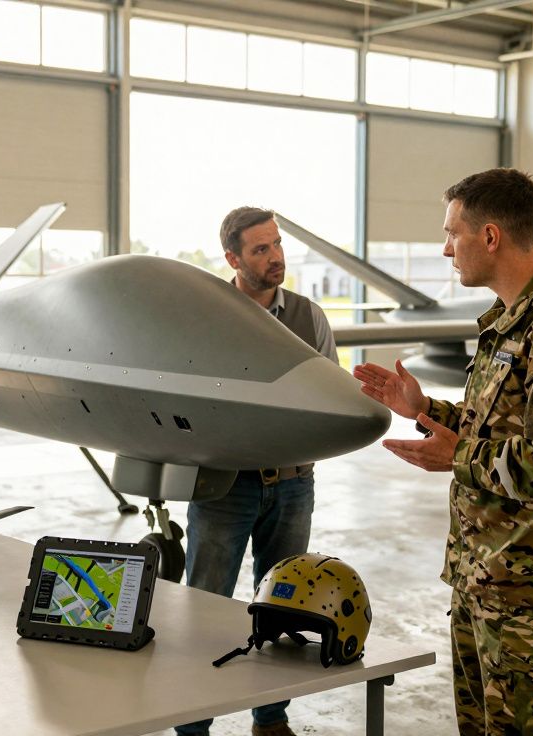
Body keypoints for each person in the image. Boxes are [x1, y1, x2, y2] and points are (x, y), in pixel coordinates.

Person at [352, 168, 533, 735]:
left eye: (453, 232)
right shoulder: (511, 323)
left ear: (492, 236)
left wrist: (456, 456)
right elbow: (501, 429)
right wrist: (426, 408)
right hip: (486, 577)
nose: (445, 247)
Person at [176, 206, 339, 736]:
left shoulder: (310, 318)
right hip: (224, 488)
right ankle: (192, 728)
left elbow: (331, 398)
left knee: (282, 611)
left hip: (293, 486)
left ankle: (271, 720)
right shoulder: (203, 318)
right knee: (204, 611)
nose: (275, 258)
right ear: (233, 258)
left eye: (277, 245)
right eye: (260, 249)